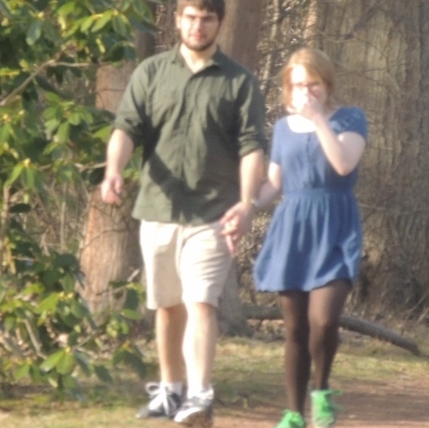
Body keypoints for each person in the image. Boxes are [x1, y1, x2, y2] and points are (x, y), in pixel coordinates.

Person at [100, 0, 266, 426]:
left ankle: (200, 395)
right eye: (190, 17)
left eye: (207, 18)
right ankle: (171, 390)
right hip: (158, 207)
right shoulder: (152, 72)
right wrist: (114, 171)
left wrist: (247, 204)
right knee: (167, 304)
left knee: (201, 301)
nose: (197, 26)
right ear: (177, 20)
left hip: (214, 212)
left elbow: (251, 147)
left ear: (219, 23)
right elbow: (125, 128)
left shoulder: (239, 82)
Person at [253, 48, 368, 428]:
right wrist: (245, 205)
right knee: (296, 328)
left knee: (323, 320)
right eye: (298, 85)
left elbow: (343, 164)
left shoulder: (350, 119)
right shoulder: (283, 129)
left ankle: (321, 390)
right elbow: (275, 183)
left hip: (335, 226)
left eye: (313, 84)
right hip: (293, 230)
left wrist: (319, 119)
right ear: (288, 88)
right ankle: (293, 412)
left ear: (326, 84)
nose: (306, 92)